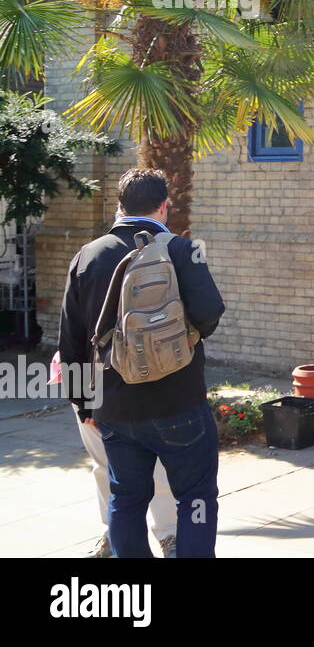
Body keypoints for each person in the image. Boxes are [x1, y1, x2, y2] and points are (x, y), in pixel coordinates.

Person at [58, 168, 225, 557]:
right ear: (163, 207)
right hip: (179, 402)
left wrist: (85, 405)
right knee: (195, 496)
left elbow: (71, 340)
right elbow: (210, 314)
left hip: (115, 407)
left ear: (119, 206)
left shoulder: (88, 255)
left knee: (126, 498)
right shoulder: (181, 250)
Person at [52, 350, 179, 557]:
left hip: (145, 371)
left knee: (156, 466)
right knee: (103, 465)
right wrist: (81, 398)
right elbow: (71, 329)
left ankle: (170, 534)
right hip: (90, 375)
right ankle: (113, 534)